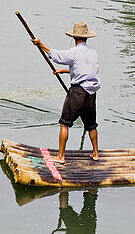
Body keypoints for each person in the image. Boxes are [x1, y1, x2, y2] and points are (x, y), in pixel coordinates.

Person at [32, 21, 100, 163]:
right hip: (91, 94)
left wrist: (41, 44)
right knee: (91, 125)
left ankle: (61, 157)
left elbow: (57, 56)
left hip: (78, 92)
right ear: (86, 37)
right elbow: (84, 70)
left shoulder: (75, 51)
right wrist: (63, 71)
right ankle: (95, 154)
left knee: (64, 123)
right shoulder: (93, 53)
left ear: (74, 38)